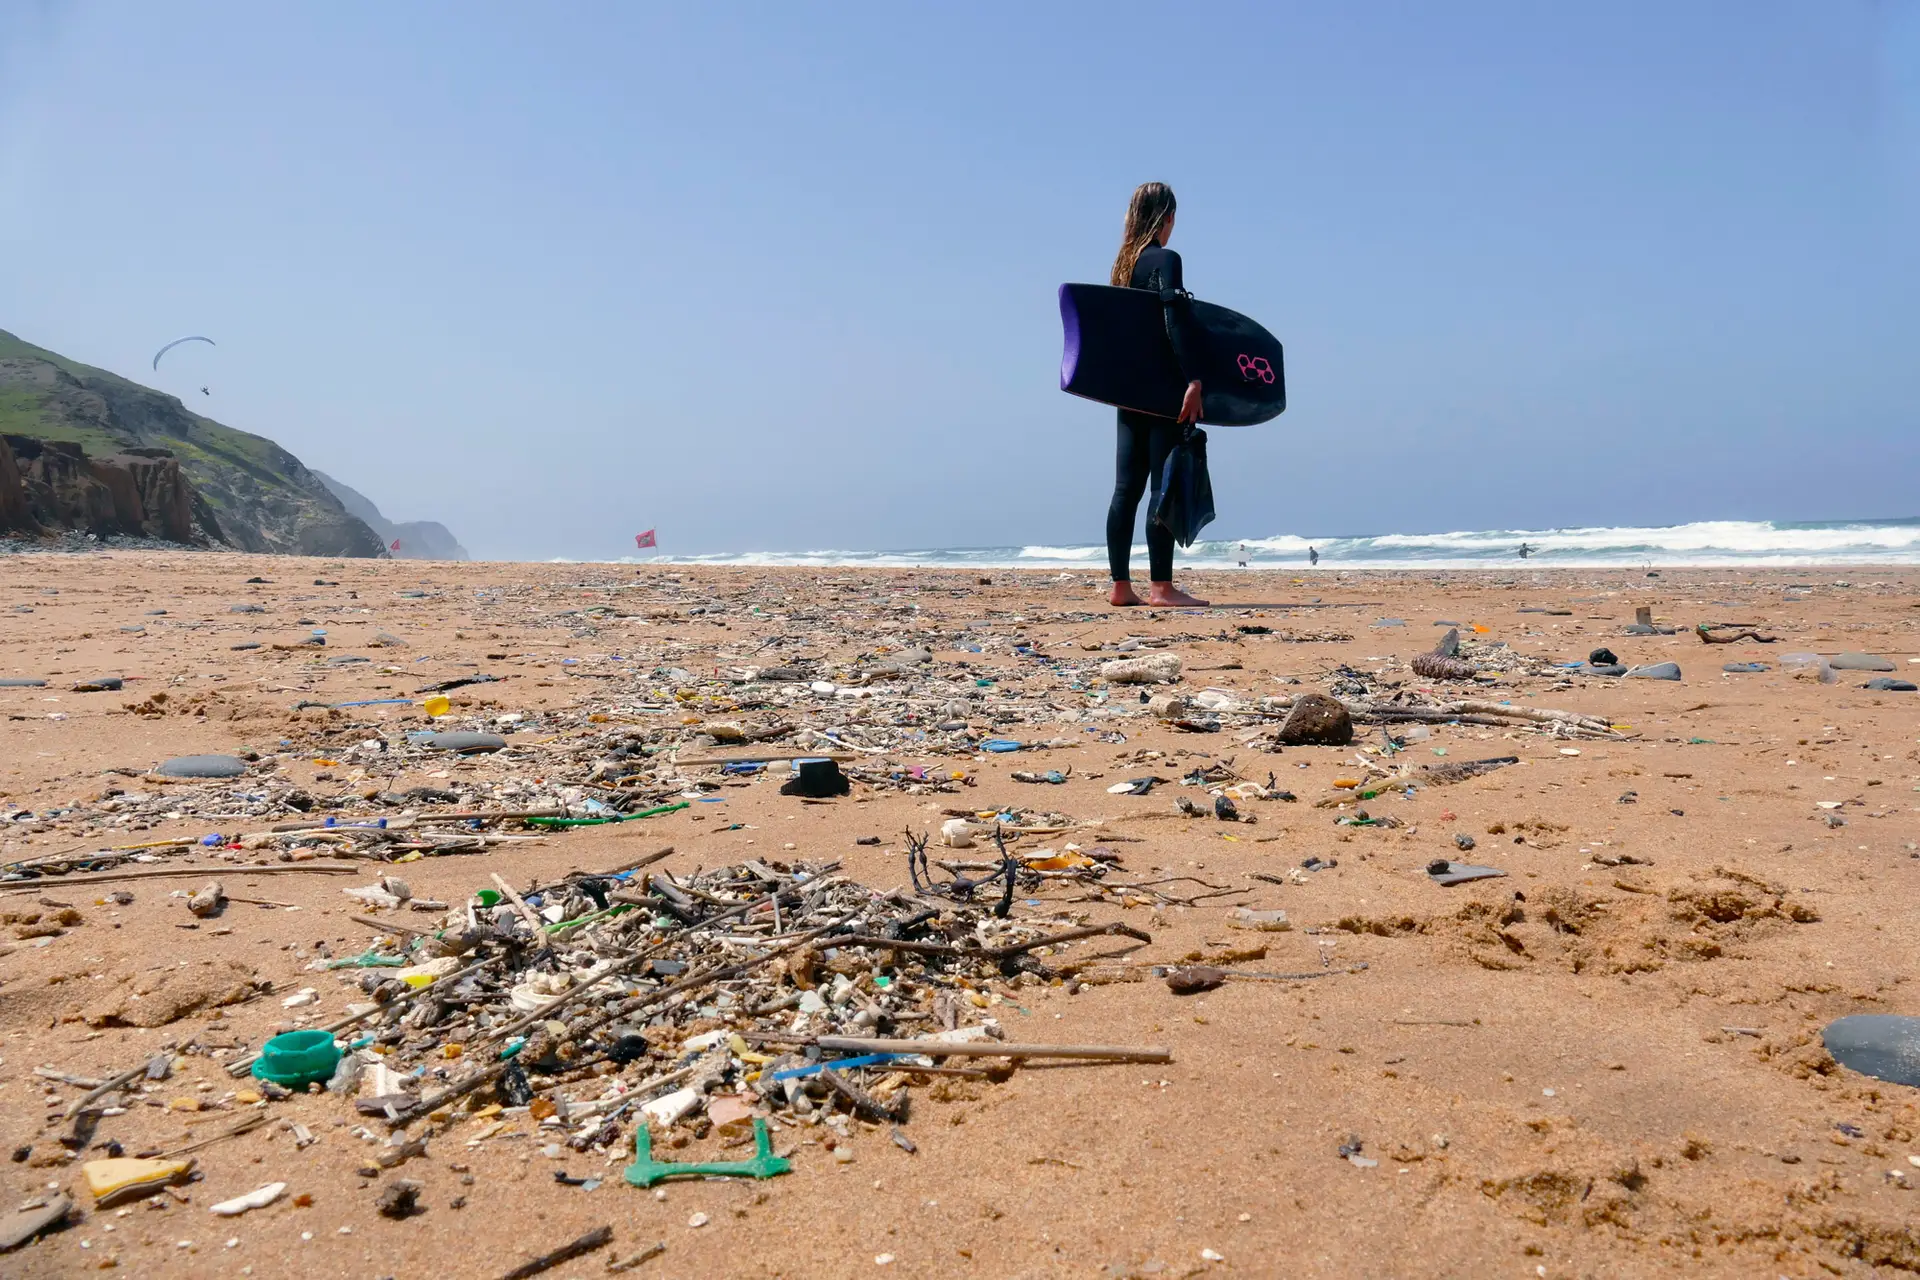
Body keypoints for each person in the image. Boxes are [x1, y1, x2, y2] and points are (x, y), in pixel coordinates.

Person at [1106, 181, 1207, 608]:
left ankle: (1120, 587)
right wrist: (1194, 380)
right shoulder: (1166, 259)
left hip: (1127, 391)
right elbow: (1175, 322)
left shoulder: (1120, 267)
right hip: (1162, 389)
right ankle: (1162, 588)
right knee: (1160, 487)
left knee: (1126, 488)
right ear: (1167, 218)